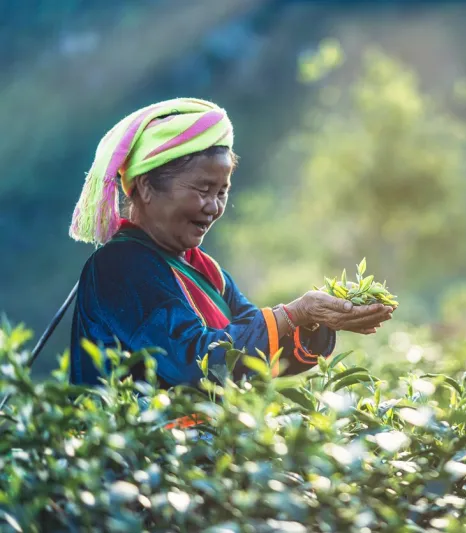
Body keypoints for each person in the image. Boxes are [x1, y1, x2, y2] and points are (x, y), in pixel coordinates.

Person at [68, 98, 393, 388]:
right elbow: (194, 364)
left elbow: (256, 347)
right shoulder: (119, 265)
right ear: (147, 187)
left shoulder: (204, 268)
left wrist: (315, 318)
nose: (214, 207)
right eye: (202, 190)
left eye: (221, 192)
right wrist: (296, 312)